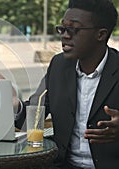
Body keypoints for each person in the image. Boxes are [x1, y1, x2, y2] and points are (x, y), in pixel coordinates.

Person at [14, 0, 119, 168]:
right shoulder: (58, 65)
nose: (64, 35)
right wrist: (16, 107)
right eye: (62, 28)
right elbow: (36, 112)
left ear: (100, 34)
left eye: (74, 29)